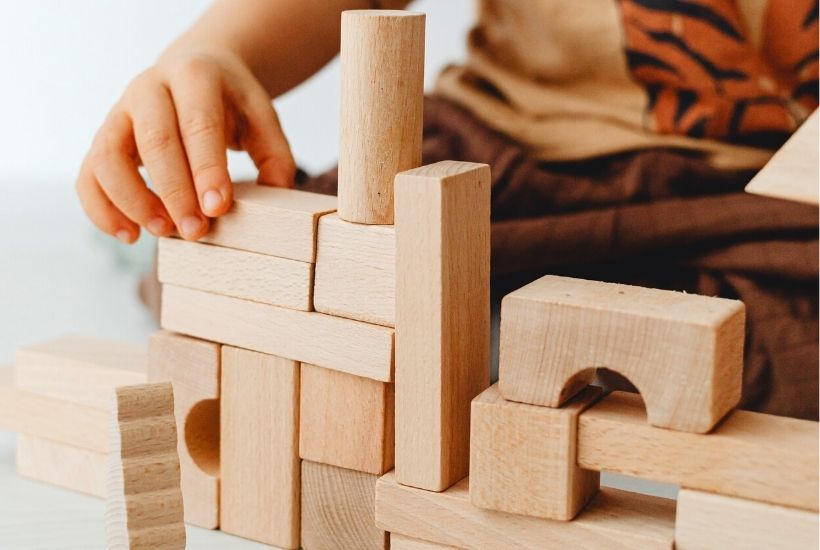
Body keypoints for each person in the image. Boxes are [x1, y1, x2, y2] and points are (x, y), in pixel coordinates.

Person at [77, 0, 819, 419]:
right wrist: (214, 51)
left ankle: (496, 354)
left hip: (763, 206)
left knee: (780, 371)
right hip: (504, 152)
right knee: (248, 269)